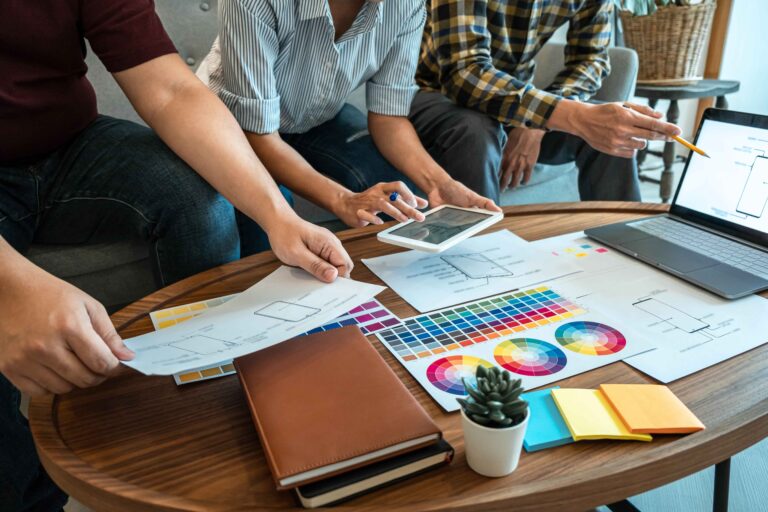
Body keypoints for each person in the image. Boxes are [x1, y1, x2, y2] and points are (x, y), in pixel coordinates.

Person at [0, 1, 354, 509]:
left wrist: (278, 216)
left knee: (199, 200)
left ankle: (203, 409)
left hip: (71, 142)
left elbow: (170, 88)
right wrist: (8, 284)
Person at [197, 0, 500, 229]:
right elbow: (259, 134)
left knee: (407, 201)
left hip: (320, 118)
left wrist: (441, 184)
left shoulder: (407, 5)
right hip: (233, 124)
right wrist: (342, 199)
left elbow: (389, 118)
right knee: (272, 216)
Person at [410, 0, 682, 204]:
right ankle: (480, 261)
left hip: (518, 103)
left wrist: (538, 124)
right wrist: (558, 114)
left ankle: (622, 246)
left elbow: (592, 60)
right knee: (475, 129)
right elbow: (464, 72)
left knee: (611, 128)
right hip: (435, 95)